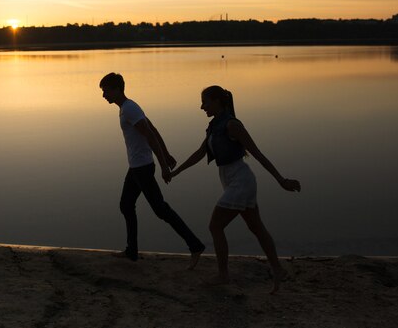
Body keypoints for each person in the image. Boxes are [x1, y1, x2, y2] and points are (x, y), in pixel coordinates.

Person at [170, 85, 301, 293]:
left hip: (241, 181)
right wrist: (176, 173)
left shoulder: (232, 125)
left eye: (205, 102)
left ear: (217, 102)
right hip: (232, 181)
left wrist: (281, 180)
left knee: (215, 226)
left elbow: (257, 153)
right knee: (256, 228)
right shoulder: (214, 126)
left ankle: (223, 275)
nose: (201, 106)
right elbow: (199, 153)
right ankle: (277, 269)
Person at [99, 73, 205, 269]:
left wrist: (164, 165)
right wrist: (166, 153)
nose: (103, 95)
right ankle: (132, 251)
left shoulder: (129, 108)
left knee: (161, 210)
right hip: (136, 167)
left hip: (143, 168)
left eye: (105, 90)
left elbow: (148, 133)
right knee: (126, 204)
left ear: (116, 89)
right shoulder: (127, 108)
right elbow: (153, 128)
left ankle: (195, 245)